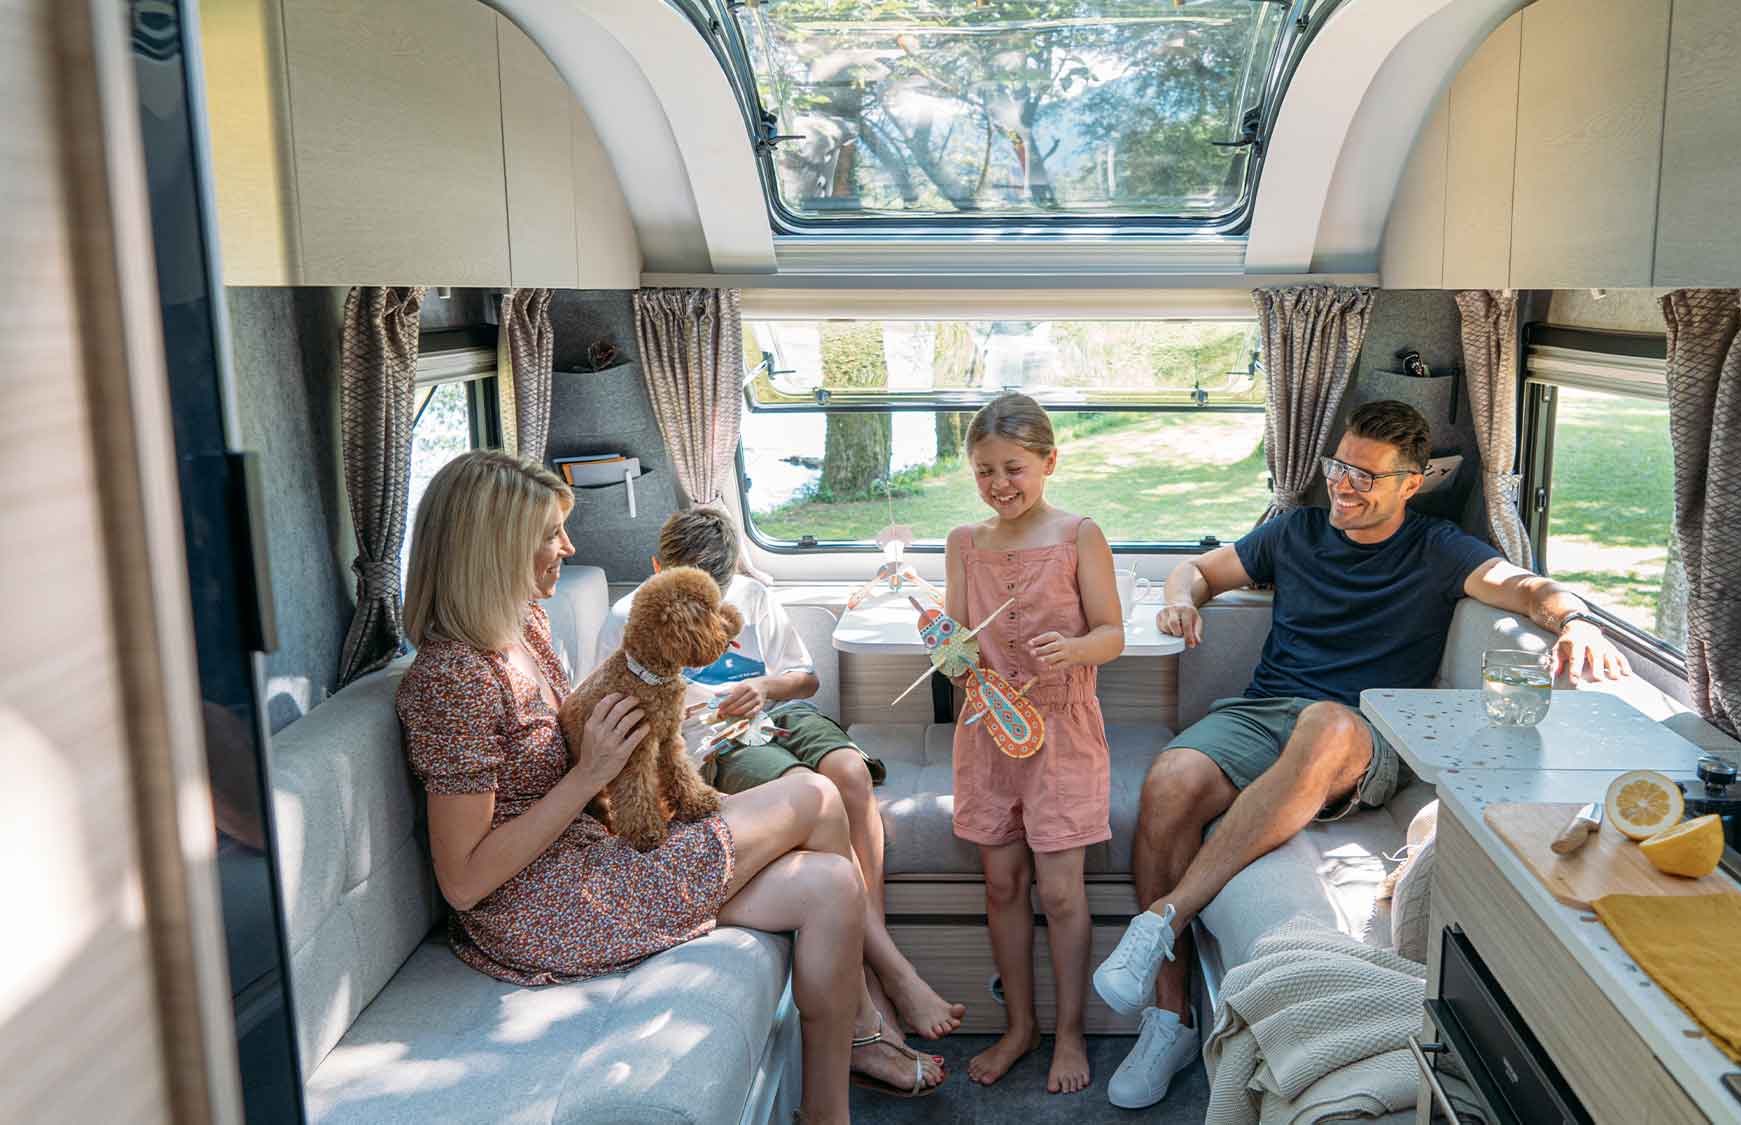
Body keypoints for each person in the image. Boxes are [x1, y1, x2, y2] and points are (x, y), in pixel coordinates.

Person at [1093, 401, 1632, 1110]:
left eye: (1364, 476)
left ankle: (1163, 915)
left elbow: (1524, 588)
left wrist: (1578, 619)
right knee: (1170, 778)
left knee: (1326, 722)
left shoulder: (1440, 548)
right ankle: (1171, 1017)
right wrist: (1181, 601)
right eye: (1338, 467)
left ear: (1411, 482)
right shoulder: (1295, 530)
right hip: (1264, 713)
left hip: (1360, 733)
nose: (1343, 487)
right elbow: (1196, 570)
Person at [395, 451, 942, 1125]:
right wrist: (589, 773)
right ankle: (876, 1001)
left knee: (832, 884)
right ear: (494, 544)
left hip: (593, 854)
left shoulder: (523, 628)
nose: (567, 546)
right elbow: (464, 880)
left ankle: (828, 1111)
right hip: (545, 908)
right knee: (814, 796)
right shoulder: (452, 679)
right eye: (549, 533)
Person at [597, 506, 965, 1047]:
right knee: (815, 793)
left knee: (850, 775)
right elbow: (617, 711)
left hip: (775, 714)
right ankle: (887, 974)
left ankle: (872, 945)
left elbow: (807, 680)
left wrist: (767, 689)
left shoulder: (754, 596)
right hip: (713, 738)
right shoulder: (627, 617)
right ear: (659, 567)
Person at [944, 393, 1125, 1094]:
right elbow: (956, 643)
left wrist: (1075, 645)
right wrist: (951, 650)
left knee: (1061, 891)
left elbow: (1112, 634)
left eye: (1013, 468)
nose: (999, 485)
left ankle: (1071, 1030)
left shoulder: (1080, 533)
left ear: (1049, 461)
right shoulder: (964, 542)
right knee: (1002, 882)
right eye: (984, 471)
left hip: (1062, 729)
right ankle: (1020, 1025)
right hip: (987, 731)